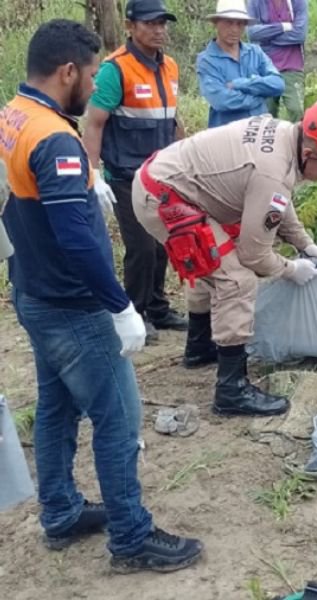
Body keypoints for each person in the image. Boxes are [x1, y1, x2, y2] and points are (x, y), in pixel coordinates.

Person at [0, 19, 202, 572]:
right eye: (90, 72)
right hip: (71, 305)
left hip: (34, 292)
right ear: (68, 71)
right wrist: (120, 306)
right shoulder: (55, 139)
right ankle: (132, 538)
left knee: (57, 408)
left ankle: (61, 513)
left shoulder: (14, 116)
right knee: (116, 418)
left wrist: (85, 183)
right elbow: (77, 240)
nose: (94, 81)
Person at [131, 100, 317, 416]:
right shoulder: (273, 171)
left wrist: (305, 244)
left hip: (169, 182)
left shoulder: (286, 138)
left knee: (213, 262)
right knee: (236, 278)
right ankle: (231, 389)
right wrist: (291, 268)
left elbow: (279, 203)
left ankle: (200, 346)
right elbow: (255, 255)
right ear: (311, 153)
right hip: (165, 197)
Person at [83, 0, 188, 343]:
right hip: (127, 175)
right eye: (150, 23)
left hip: (163, 174)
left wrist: (187, 157)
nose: (159, 30)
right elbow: (95, 123)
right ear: (130, 26)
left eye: (162, 23)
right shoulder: (116, 70)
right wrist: (92, 173)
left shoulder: (169, 66)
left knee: (164, 244)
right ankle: (136, 311)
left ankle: (158, 306)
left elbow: (171, 119)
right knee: (141, 247)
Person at [197, 0, 285, 128]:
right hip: (227, 135)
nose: (234, 29)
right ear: (216, 23)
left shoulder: (255, 52)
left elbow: (278, 84)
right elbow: (221, 100)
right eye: (229, 22)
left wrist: (240, 83)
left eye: (239, 24)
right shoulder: (207, 60)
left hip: (259, 132)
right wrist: (259, 97)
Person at [246, 0, 308, 123]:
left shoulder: (298, 2)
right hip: (264, 67)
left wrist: (267, 37)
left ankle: (298, 141)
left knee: (297, 111)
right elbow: (252, 33)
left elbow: (299, 35)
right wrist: (284, 27)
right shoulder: (255, 2)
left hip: (291, 65)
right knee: (266, 115)